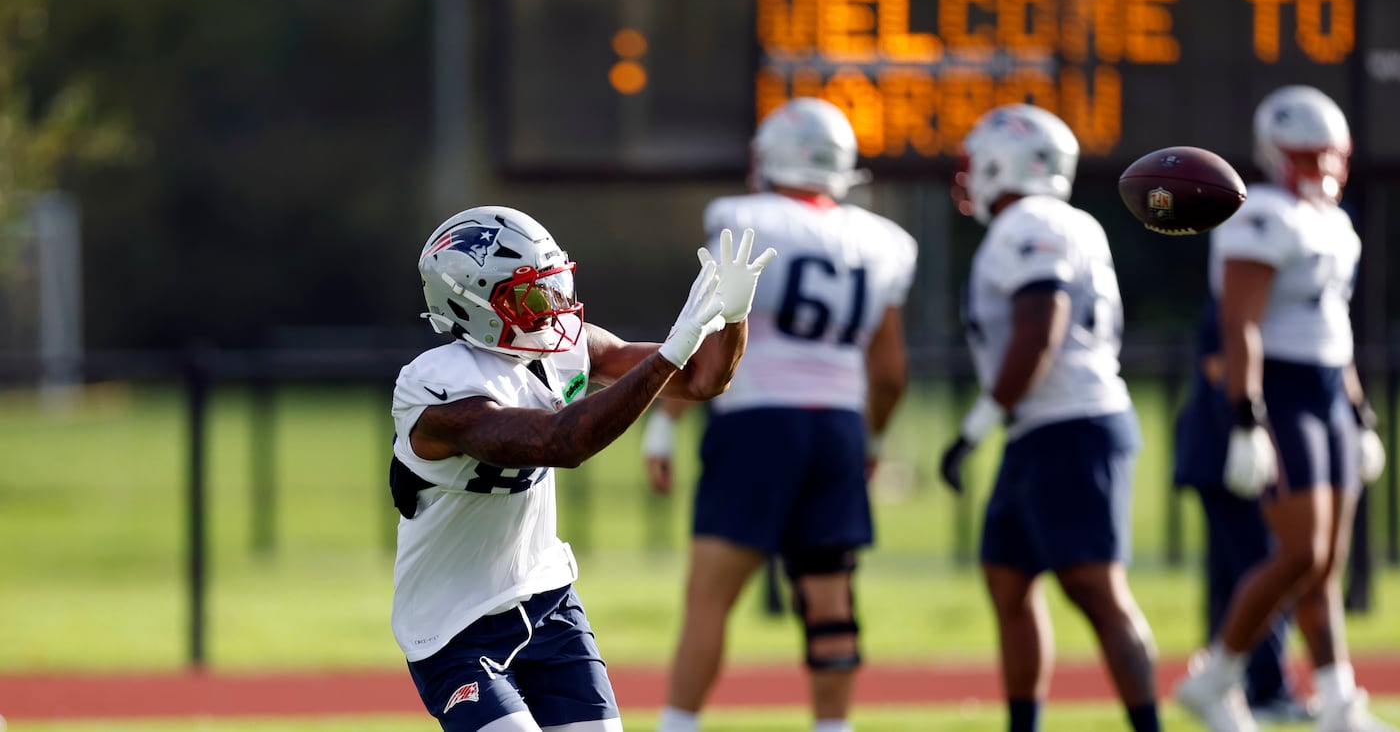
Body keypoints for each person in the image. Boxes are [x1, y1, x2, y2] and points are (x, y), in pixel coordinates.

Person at [388, 204, 775, 732]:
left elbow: (704, 380)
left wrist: (733, 318)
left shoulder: (567, 346)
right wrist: (671, 353)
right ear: (471, 302)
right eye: (530, 295)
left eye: (555, 287)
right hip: (453, 625)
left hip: (547, 600)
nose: (552, 311)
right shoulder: (437, 389)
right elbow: (560, 442)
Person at [644, 96, 916, 732]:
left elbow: (704, 331)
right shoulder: (886, 243)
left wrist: (662, 425)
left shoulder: (742, 218)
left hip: (756, 420)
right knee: (830, 597)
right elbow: (891, 371)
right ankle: (832, 727)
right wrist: (871, 440)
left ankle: (678, 725)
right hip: (839, 427)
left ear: (771, 159)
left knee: (711, 595)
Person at [1173, 86, 1400, 732]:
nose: (1322, 167)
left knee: (1327, 561)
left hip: (1328, 390)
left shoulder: (1335, 222)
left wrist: (1360, 413)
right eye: (1308, 153)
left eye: (1329, 154)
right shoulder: (1261, 214)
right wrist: (1247, 418)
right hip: (1282, 391)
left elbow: (1336, 325)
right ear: (1277, 153)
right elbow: (1239, 324)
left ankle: (1336, 700)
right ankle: (1215, 678)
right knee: (1299, 553)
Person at [938, 103, 1161, 732]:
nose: (968, 174)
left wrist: (974, 428)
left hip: (1071, 424)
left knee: (1096, 590)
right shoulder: (1063, 221)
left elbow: (1040, 328)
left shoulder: (1029, 222)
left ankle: (1149, 727)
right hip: (1045, 428)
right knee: (1008, 579)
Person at [1172, 297, 1316, 724]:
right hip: (1225, 453)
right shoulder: (1236, 302)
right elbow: (1220, 368)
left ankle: (1228, 682)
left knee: (1239, 572)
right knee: (1265, 565)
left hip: (1223, 451)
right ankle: (1265, 686)